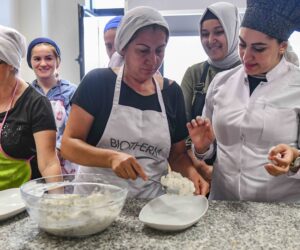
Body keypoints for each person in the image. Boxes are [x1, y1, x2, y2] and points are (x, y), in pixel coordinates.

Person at [61, 6, 209, 199]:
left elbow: (177, 155)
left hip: (150, 203)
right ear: (123, 47)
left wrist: (192, 174)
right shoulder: (98, 83)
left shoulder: (171, 93)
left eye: (160, 50)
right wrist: (111, 157)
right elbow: (69, 145)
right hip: (96, 202)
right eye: (143, 51)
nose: (153, 60)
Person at [187, 0, 300, 202]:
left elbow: (296, 159)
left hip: (280, 209)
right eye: (242, 44)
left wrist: (294, 161)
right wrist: (203, 148)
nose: (246, 56)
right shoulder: (221, 82)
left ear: (282, 46)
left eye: (259, 48)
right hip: (224, 204)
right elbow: (212, 151)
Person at [181, 2, 241, 182]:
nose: (210, 40)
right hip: (199, 170)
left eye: (219, 32)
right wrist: (203, 168)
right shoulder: (195, 73)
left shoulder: (249, 73)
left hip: (240, 173)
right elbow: (180, 131)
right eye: (205, 34)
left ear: (233, 31)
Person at [0, 25, 61, 190]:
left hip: (23, 203)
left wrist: (59, 206)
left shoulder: (36, 103)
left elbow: (49, 163)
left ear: (11, 63)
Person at [27, 37, 78, 175]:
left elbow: (75, 127)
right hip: (34, 160)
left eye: (48, 58)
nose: (43, 63)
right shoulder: (26, 93)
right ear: (30, 62)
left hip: (67, 160)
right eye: (37, 59)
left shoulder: (72, 91)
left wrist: (59, 149)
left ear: (57, 61)